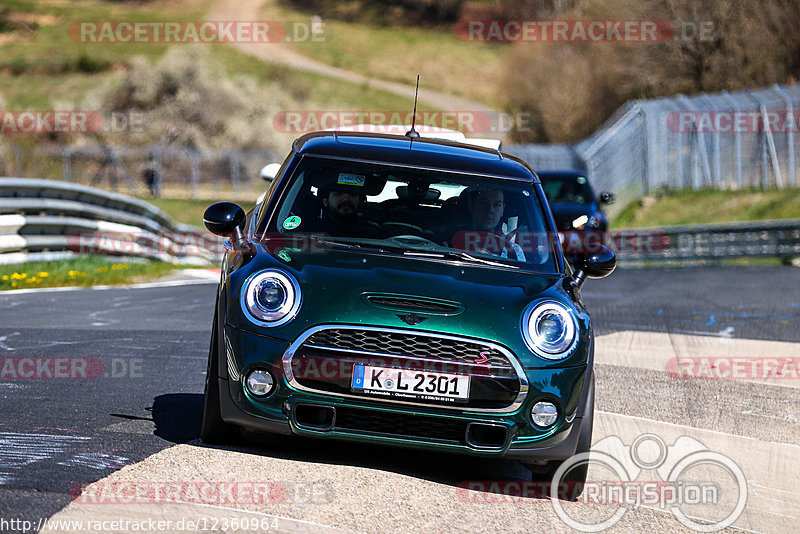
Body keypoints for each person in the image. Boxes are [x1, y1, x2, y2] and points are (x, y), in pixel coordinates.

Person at [451, 188, 525, 261]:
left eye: (497, 205)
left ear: (503, 209)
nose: (490, 210)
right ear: (471, 205)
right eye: (483, 203)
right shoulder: (449, 243)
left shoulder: (513, 252)